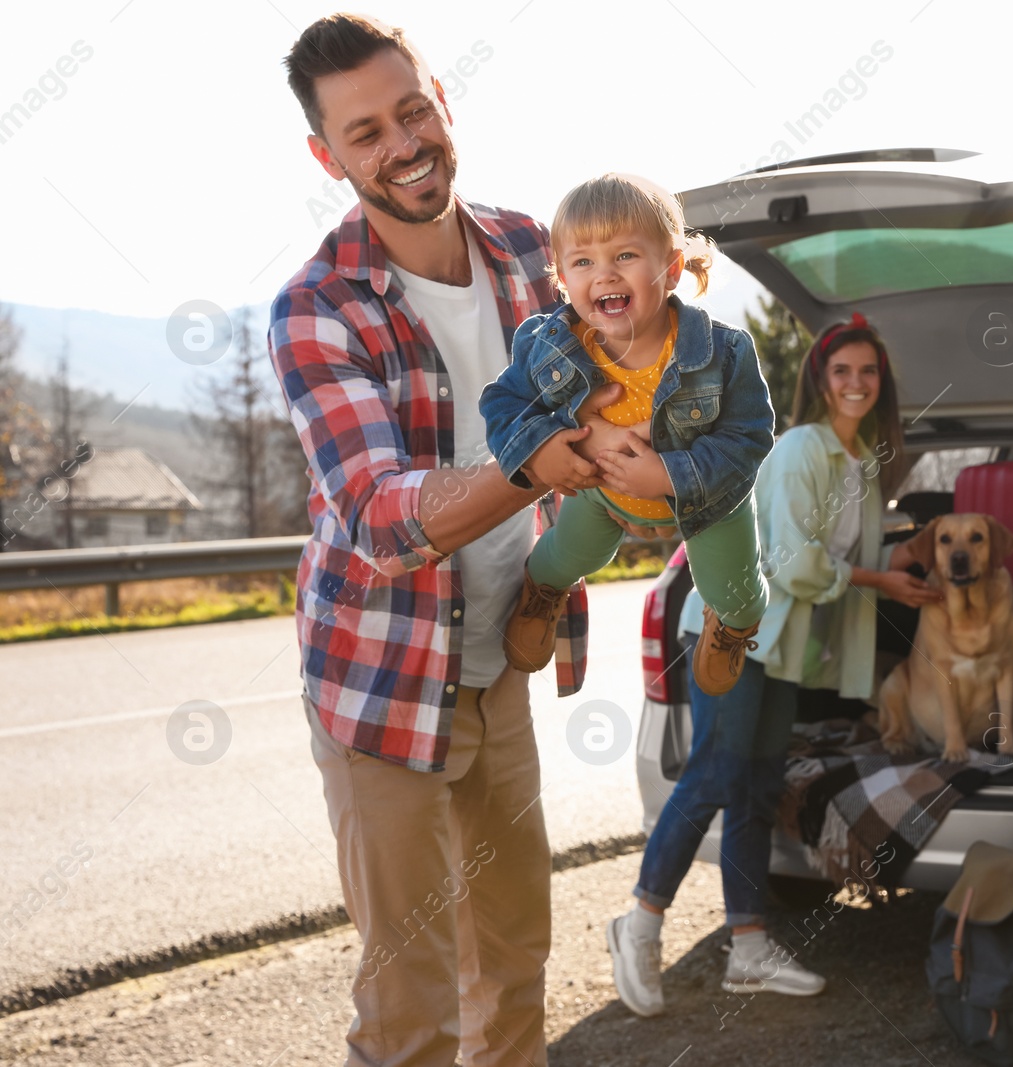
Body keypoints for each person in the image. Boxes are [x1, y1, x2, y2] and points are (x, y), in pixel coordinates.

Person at [269, 15, 621, 1066]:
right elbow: (381, 518)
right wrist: (535, 468)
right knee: (411, 1010)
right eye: (366, 130)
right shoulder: (316, 309)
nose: (403, 143)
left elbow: (630, 366)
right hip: (378, 680)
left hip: (498, 657)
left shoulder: (531, 250)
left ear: (444, 102)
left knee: (513, 967)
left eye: (412, 109)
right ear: (329, 157)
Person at [605, 312, 943, 1016]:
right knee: (713, 775)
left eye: (867, 371)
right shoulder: (800, 450)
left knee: (759, 786)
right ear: (820, 378)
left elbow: (843, 557)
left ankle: (750, 947)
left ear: (882, 385)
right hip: (732, 629)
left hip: (780, 645)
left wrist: (898, 559)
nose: (855, 382)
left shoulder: (857, 463)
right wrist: (882, 582)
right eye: (842, 369)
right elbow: (795, 563)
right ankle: (638, 923)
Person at [481, 173, 774, 696]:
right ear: (562, 279)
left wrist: (668, 473)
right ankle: (542, 589)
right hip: (602, 487)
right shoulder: (550, 347)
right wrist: (546, 444)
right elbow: (502, 404)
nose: (604, 275)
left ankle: (733, 626)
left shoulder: (724, 353)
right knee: (568, 555)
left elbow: (749, 438)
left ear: (672, 268)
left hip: (708, 500)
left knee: (736, 593)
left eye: (626, 257)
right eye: (584, 261)